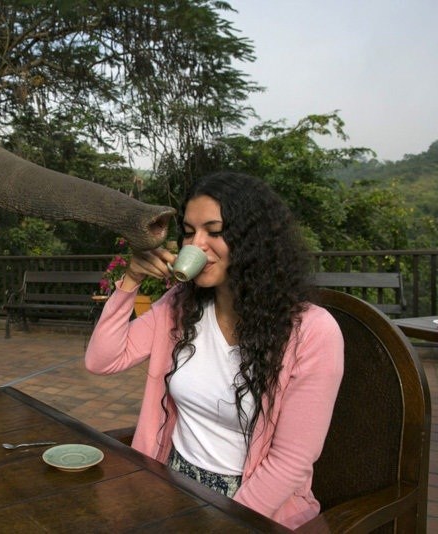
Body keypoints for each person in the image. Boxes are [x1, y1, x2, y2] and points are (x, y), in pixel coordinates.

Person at [85, 171, 344, 529]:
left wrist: (222, 522)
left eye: (214, 231)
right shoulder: (181, 305)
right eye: (189, 232)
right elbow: (102, 360)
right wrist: (130, 281)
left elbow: (291, 461)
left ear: (253, 239)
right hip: (171, 485)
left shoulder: (312, 331)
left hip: (254, 508)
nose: (197, 245)